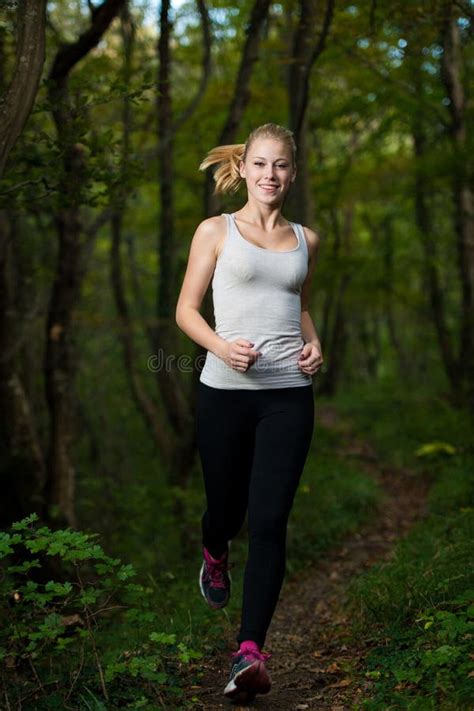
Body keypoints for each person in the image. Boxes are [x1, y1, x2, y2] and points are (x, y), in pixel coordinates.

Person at [175, 122, 323, 703]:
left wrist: (316, 346)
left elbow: (299, 307)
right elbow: (186, 310)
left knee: (268, 520)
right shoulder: (216, 230)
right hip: (224, 392)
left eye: (281, 165)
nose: (271, 175)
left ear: (293, 171)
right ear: (246, 167)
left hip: (289, 395)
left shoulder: (307, 239)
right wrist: (219, 346)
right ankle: (214, 550)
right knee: (228, 511)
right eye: (261, 164)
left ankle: (249, 651)